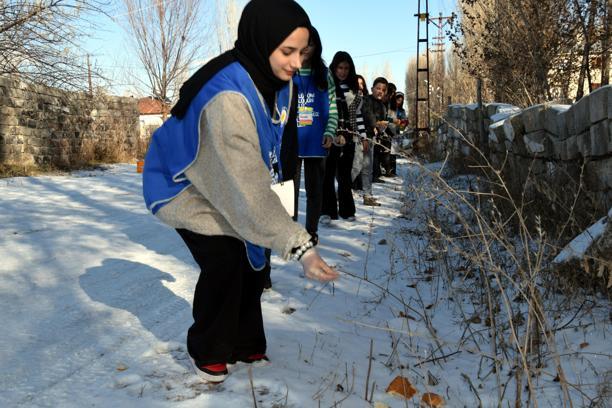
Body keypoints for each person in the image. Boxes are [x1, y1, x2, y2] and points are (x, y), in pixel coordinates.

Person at [142, 0, 338, 384]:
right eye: (288, 52)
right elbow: (246, 190)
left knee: (255, 252)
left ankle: (246, 342)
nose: (297, 62)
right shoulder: (227, 99)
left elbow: (272, 144)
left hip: (224, 173)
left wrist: (278, 195)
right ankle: (210, 348)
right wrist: (302, 248)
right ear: (260, 40)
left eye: (304, 52)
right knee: (227, 255)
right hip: (181, 183)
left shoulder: (277, 79)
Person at [290, 27, 337, 239]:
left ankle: (311, 231)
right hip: (291, 140)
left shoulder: (325, 75)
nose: (306, 47)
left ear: (316, 46)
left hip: (317, 141)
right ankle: (288, 231)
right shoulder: (288, 72)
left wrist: (330, 131)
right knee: (288, 188)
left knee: (314, 189)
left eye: (310, 43)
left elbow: (333, 106)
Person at [320, 51, 362, 224]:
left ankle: (347, 210)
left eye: (346, 68)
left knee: (345, 175)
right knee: (328, 174)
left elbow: (358, 117)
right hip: (331, 134)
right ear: (334, 68)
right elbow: (326, 111)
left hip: (349, 137)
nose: (343, 71)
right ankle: (328, 212)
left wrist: (362, 136)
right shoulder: (327, 86)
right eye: (340, 67)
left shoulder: (354, 89)